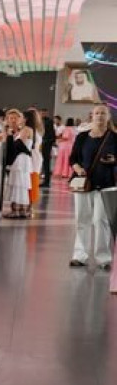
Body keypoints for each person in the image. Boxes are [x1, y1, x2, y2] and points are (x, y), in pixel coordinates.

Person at [68, 103, 117, 269]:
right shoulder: (82, 137)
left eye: (103, 113)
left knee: (101, 220)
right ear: (92, 116)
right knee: (82, 220)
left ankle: (103, 258)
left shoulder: (114, 137)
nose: (100, 116)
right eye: (97, 113)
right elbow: (73, 159)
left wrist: (114, 160)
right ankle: (79, 255)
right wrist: (78, 169)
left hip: (107, 183)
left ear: (108, 117)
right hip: (84, 183)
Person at [0, 108, 33, 219]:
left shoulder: (26, 130)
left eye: (16, 118)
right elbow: (6, 143)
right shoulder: (15, 131)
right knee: (17, 183)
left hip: (22, 159)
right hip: (17, 159)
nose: (13, 120)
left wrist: (9, 135)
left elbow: (18, 145)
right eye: (10, 118)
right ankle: (17, 209)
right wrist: (6, 131)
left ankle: (19, 210)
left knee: (20, 184)